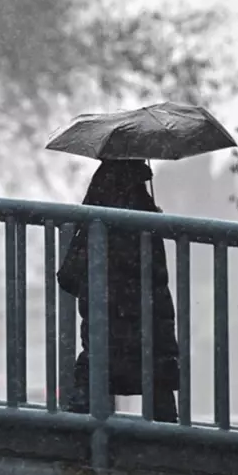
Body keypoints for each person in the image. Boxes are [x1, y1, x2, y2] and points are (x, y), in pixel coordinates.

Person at [56, 159, 179, 421]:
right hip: (147, 318)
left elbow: (71, 274)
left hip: (108, 315)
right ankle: (167, 429)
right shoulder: (139, 209)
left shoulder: (98, 203)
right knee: (155, 367)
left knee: (98, 362)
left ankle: (83, 418)